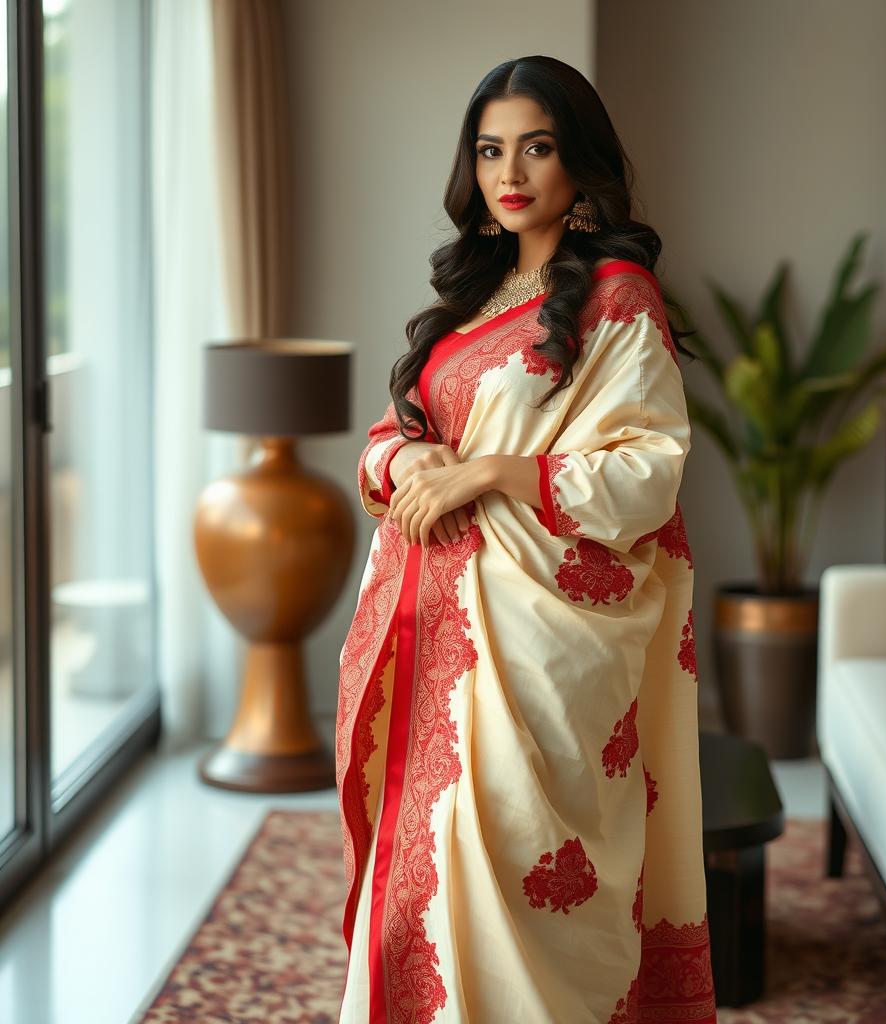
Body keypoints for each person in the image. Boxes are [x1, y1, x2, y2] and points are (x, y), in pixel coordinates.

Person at [336, 54, 717, 1024]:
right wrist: (413, 466)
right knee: (426, 877)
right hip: (434, 629)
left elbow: (646, 469)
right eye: (491, 149)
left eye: (536, 148)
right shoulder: (475, 293)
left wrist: (495, 471)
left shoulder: (618, 295)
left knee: (510, 859)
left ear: (577, 161)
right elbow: (391, 436)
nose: (511, 173)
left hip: (540, 637)